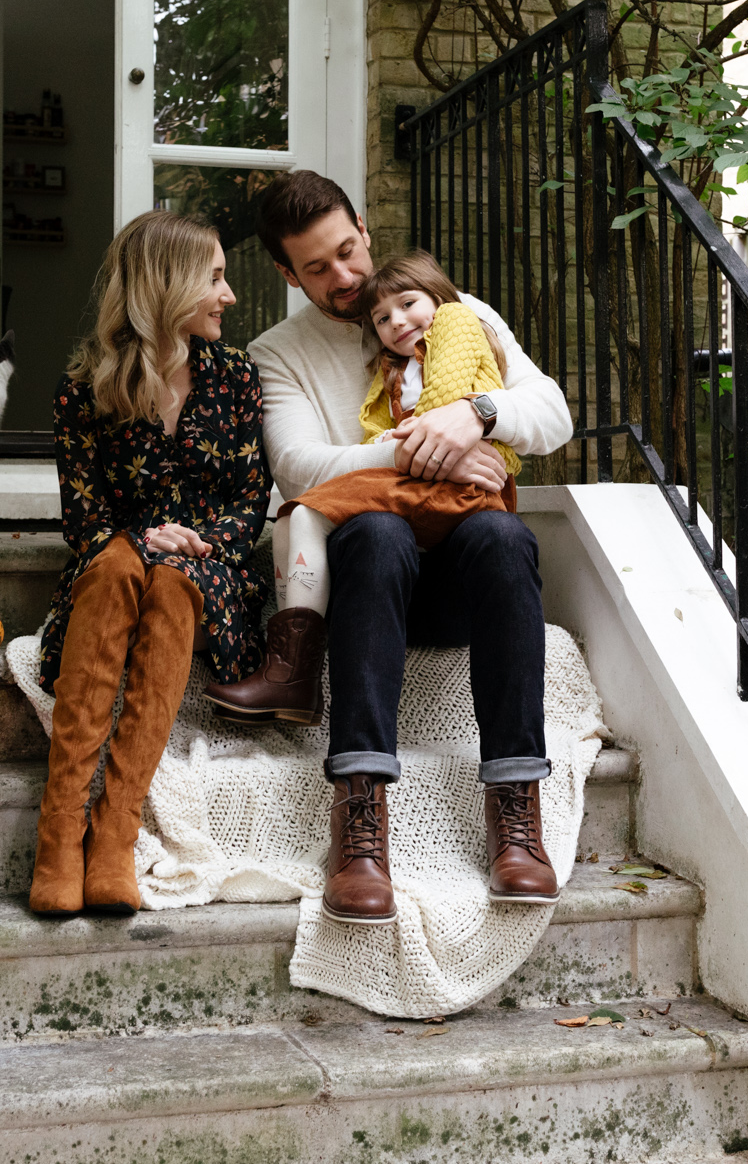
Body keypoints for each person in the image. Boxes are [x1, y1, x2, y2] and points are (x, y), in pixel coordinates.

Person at [238, 171, 574, 926]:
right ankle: (359, 821)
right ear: (288, 274)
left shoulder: (453, 313)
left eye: (349, 251)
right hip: (362, 582)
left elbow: (552, 415)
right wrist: (429, 445)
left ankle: (517, 814)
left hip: (458, 583)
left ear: (362, 225)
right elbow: (299, 466)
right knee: (377, 529)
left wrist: (478, 415)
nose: (346, 278)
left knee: (500, 532)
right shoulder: (277, 353)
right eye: (317, 268)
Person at [30, 209, 271, 917]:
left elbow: (250, 498)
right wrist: (144, 537)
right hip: (115, 565)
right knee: (115, 566)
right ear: (168, 285)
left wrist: (191, 541)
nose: (228, 295)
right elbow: (83, 517)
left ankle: (114, 833)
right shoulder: (85, 390)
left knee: (170, 582)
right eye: (216, 278)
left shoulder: (235, 377)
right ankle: (60, 832)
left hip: (210, 572)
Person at [205, 249, 520, 723]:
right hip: (429, 480)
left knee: (305, 511)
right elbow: (378, 429)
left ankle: (292, 673)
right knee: (298, 515)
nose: (396, 322)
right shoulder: (400, 363)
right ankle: (291, 666)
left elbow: (443, 404)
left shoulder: (456, 321)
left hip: (458, 489)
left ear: (437, 298)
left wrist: (413, 441)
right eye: (382, 319)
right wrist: (394, 443)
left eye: (409, 304)